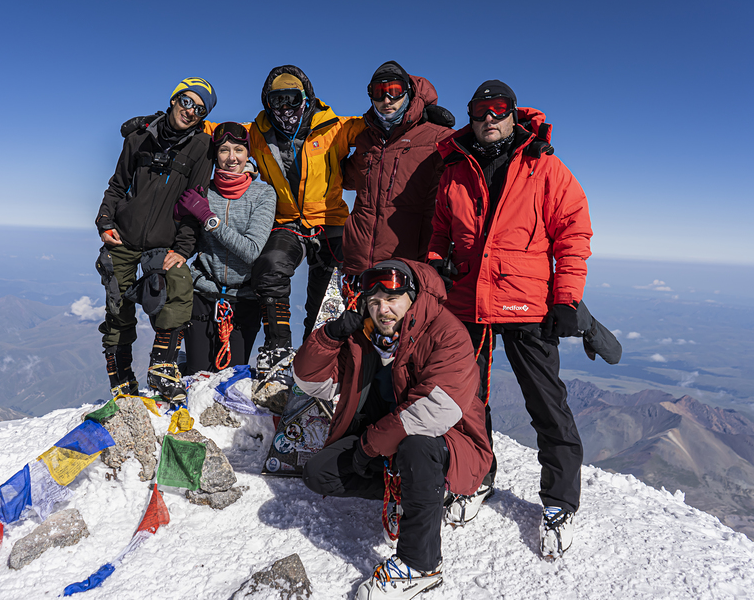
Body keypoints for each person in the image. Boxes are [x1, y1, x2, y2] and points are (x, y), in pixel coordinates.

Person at [427, 80, 592, 558]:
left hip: (528, 302)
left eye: (499, 109)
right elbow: (441, 228)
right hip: (465, 302)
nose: (489, 117)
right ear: (472, 115)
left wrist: (567, 298)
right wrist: (439, 262)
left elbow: (573, 233)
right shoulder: (455, 167)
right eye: (480, 110)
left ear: (514, 114)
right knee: (466, 399)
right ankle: (475, 479)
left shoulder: (544, 165)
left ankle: (560, 501)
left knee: (546, 402)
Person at [294, 260, 491, 598]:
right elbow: (309, 382)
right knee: (319, 473)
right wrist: (329, 336)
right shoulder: (363, 337)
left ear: (412, 298)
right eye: (374, 301)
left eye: (392, 299)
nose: (382, 309)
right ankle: (417, 494)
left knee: (417, 446)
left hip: (450, 443)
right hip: (387, 442)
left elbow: (435, 408)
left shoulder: (447, 332)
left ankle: (420, 565)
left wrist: (367, 446)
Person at [95, 77, 216, 401]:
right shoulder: (139, 138)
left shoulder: (202, 148)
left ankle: (162, 367)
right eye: (187, 101)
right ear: (175, 99)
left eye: (199, 109)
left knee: (178, 283)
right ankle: (121, 378)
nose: (191, 111)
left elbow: (196, 201)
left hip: (164, 242)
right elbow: (117, 185)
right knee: (116, 302)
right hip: (123, 236)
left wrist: (183, 248)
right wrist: (104, 220)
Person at [246, 65, 365, 371]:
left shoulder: (335, 127)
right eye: (277, 100)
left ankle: (320, 357)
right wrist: (162, 124)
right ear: (267, 103)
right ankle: (277, 348)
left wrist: (423, 118)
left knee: (327, 298)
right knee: (269, 268)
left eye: (291, 98)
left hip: (330, 221)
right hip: (287, 222)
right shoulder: (257, 132)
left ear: (306, 97)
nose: (285, 108)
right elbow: (219, 132)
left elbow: (377, 124)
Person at [178, 122, 276, 373]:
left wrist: (209, 220)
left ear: (248, 154)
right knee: (198, 376)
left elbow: (251, 250)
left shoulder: (263, 194)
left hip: (243, 301)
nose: (231, 158)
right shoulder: (205, 191)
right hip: (202, 294)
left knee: (228, 381)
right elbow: (189, 240)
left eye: (239, 150)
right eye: (224, 150)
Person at [341, 61, 454, 276]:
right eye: (379, 92)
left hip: (408, 261)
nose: (386, 100)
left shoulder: (437, 138)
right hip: (358, 261)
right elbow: (347, 179)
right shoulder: (366, 139)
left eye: (395, 91)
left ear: (409, 92)